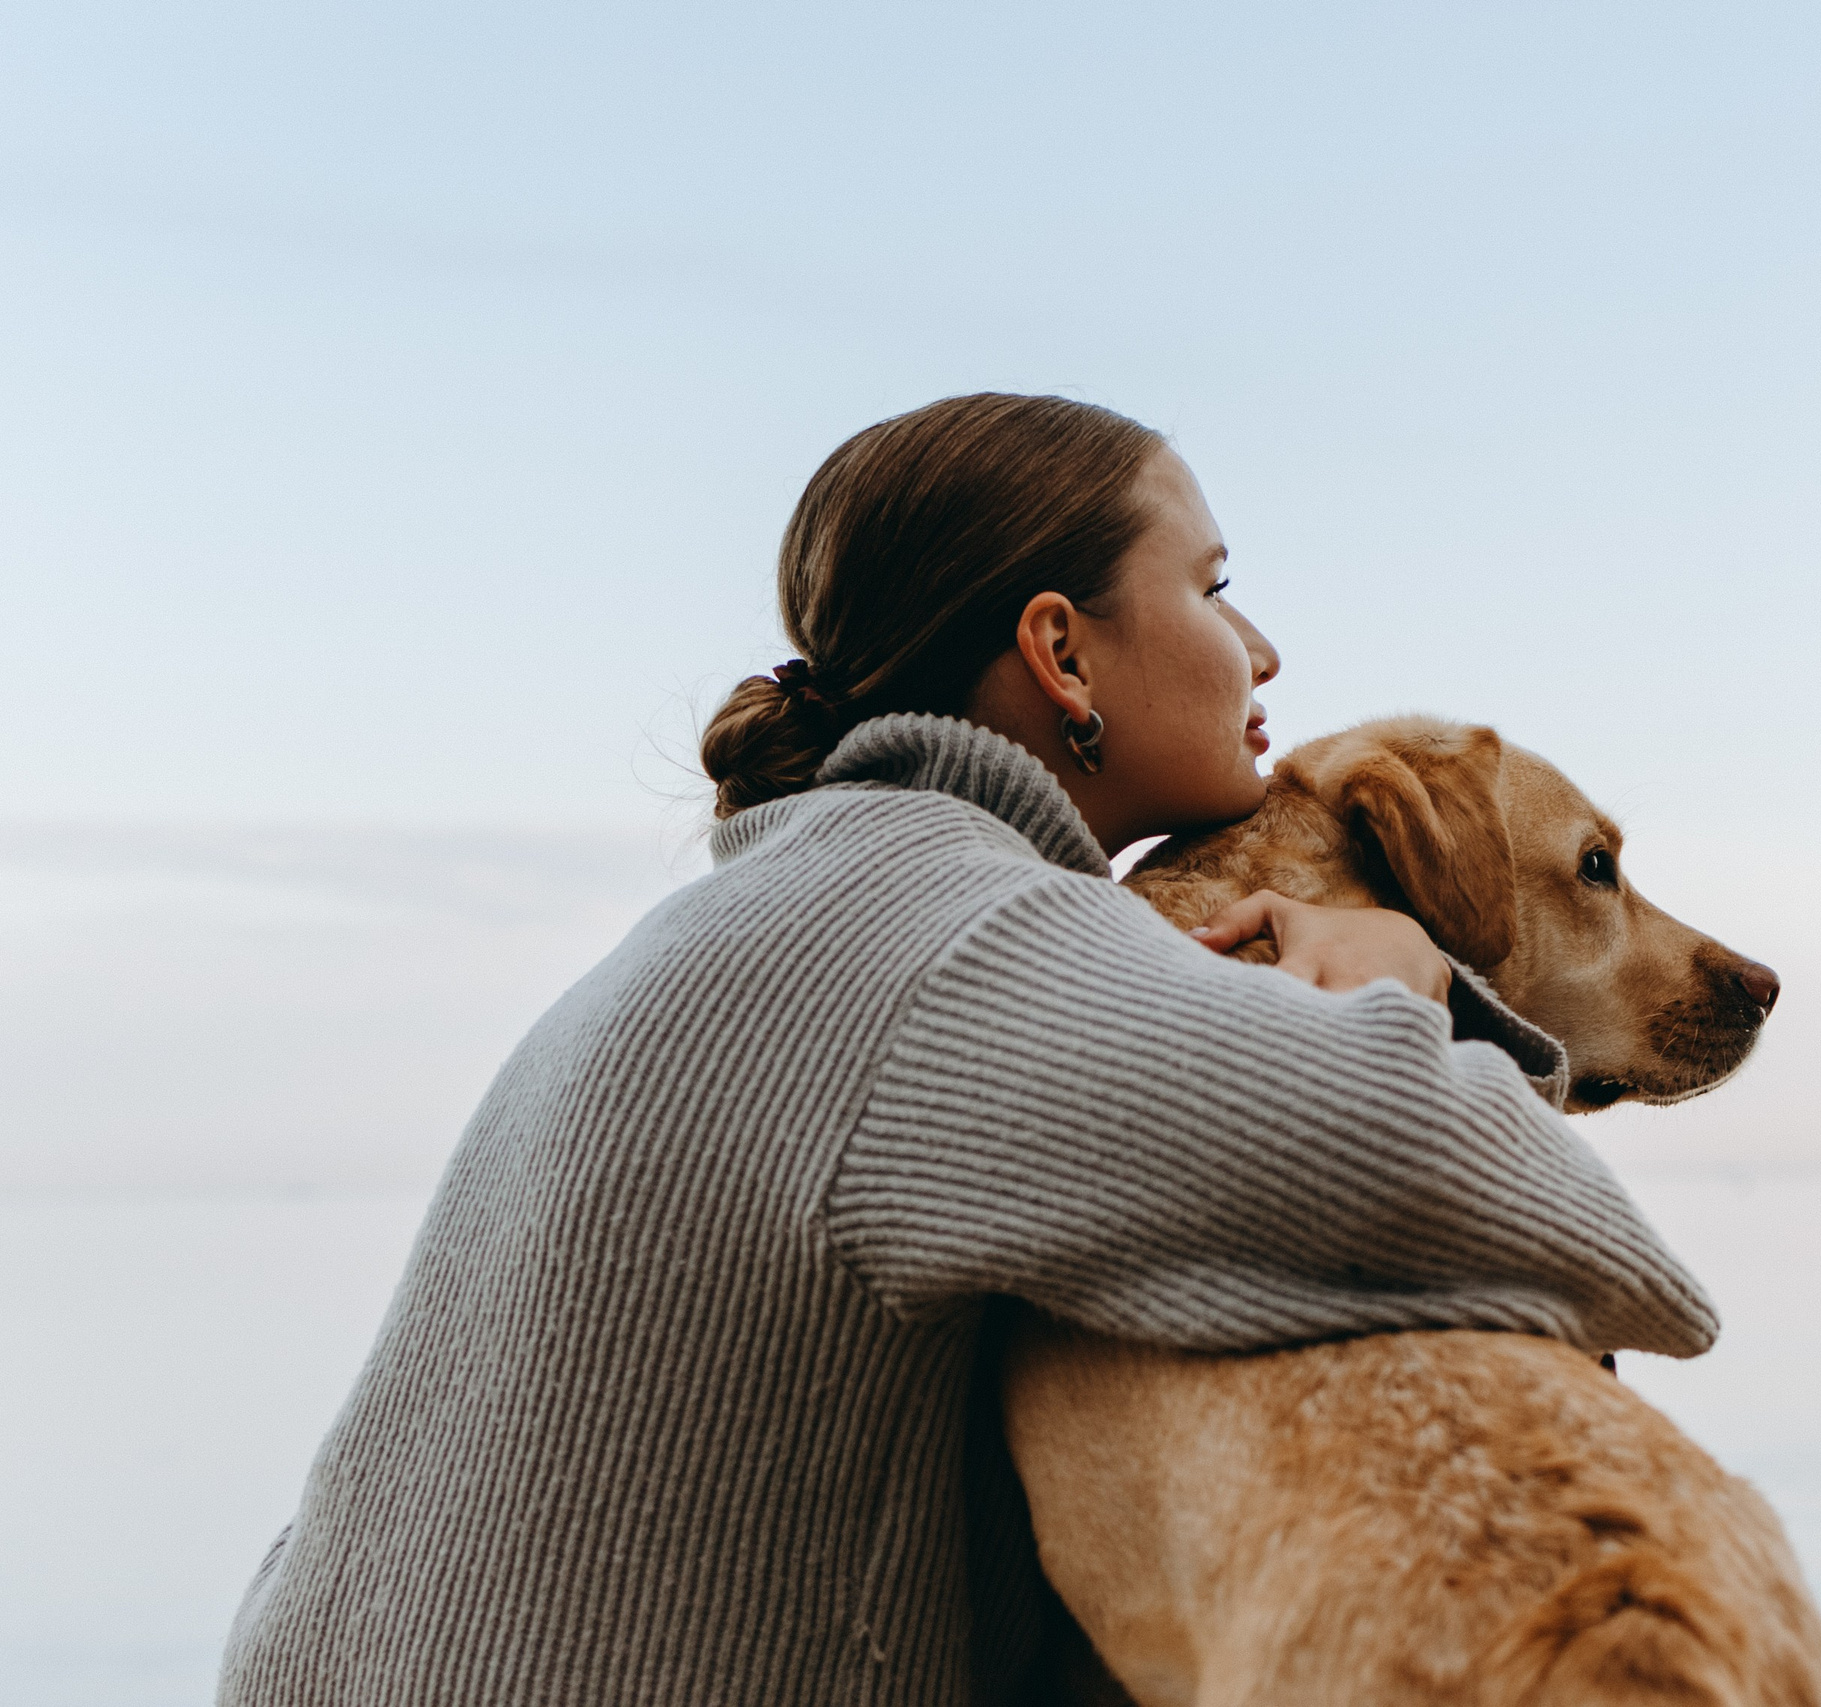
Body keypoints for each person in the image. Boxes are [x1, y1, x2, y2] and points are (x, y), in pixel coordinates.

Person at [216, 393, 1718, 1706]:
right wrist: (1416, 984)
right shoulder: (967, 938)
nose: (1263, 647)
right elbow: (1610, 1263)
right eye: (1215, 586)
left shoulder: (718, 922)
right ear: (1061, 652)